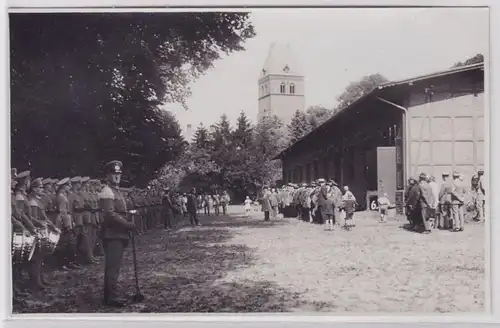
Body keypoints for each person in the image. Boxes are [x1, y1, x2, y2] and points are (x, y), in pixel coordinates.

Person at [98, 160, 135, 307]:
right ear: (107, 176)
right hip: (112, 233)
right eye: (114, 174)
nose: (117, 176)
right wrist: (127, 224)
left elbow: (121, 211)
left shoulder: (117, 191)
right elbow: (110, 214)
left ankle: (111, 294)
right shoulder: (107, 191)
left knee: (115, 266)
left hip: (119, 233)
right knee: (112, 267)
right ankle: (110, 297)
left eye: (118, 174)